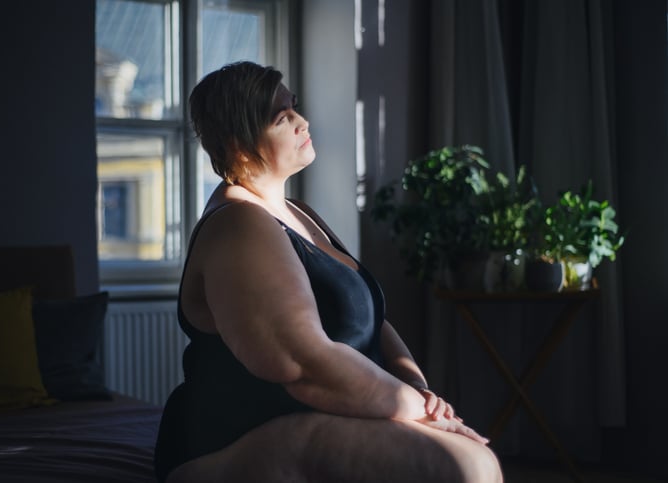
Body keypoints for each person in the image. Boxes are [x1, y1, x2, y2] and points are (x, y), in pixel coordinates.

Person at [154, 61, 503, 483]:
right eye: (283, 117)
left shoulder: (299, 214)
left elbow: (372, 318)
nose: (302, 121)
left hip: (322, 414)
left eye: (294, 108)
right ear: (240, 145)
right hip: (230, 442)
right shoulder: (239, 224)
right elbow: (303, 363)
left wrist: (419, 391)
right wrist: (412, 407)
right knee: (467, 467)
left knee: (469, 460)